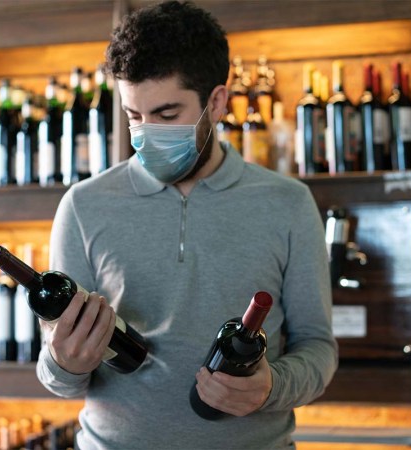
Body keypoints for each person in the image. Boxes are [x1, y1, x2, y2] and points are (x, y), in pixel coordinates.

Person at [36, 1, 338, 449]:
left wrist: (271, 385)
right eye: (134, 116)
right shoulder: (83, 205)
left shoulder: (287, 203)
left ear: (216, 102)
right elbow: (57, 377)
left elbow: (317, 347)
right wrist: (66, 363)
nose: (144, 136)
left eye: (167, 115)